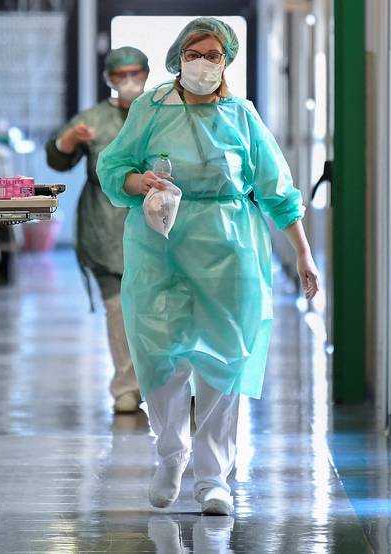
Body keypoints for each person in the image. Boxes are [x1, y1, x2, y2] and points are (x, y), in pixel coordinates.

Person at [96, 18, 320, 515]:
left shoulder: (240, 115)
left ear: (227, 61)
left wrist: (303, 252)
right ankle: (171, 456)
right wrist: (141, 183)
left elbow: (276, 188)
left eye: (214, 55)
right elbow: (113, 167)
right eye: (195, 53)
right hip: (161, 248)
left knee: (224, 361)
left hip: (230, 247)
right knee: (161, 355)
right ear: (179, 57)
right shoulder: (151, 108)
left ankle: (214, 478)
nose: (203, 63)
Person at [46, 46, 150, 414]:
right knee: (118, 309)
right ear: (109, 79)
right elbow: (57, 157)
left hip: (157, 226)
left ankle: (171, 385)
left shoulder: (160, 113)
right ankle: (127, 385)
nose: (129, 82)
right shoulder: (93, 119)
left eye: (135, 74)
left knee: (162, 311)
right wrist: (71, 140)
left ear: (147, 74)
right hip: (106, 227)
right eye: (121, 76)